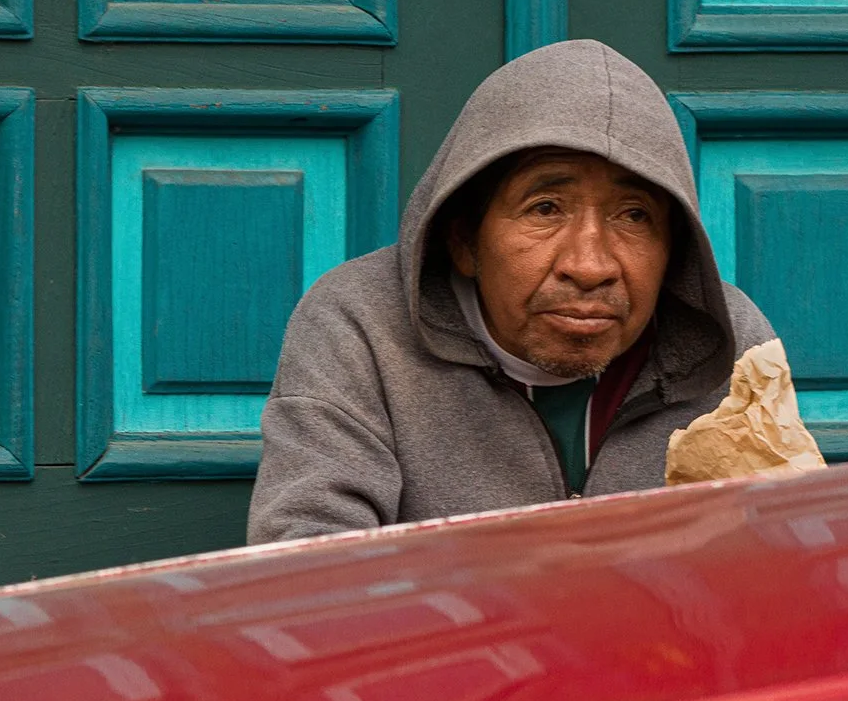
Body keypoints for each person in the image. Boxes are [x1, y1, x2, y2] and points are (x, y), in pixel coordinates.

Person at [248, 38, 777, 542]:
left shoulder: (731, 345)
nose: (590, 266)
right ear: (463, 240)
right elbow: (307, 568)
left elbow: (776, 559)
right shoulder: (360, 325)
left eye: (634, 216)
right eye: (545, 208)